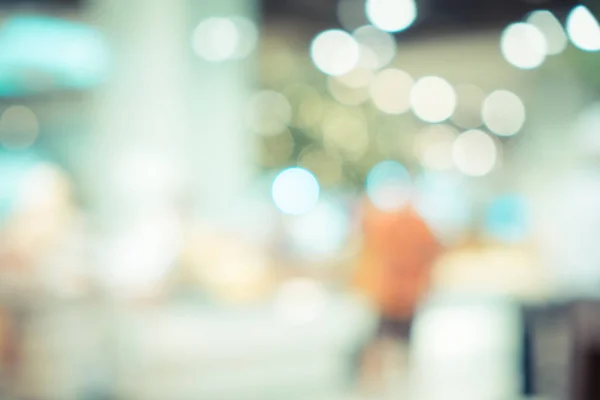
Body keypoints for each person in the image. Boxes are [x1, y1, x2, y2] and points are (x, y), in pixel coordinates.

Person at [354, 198, 441, 394]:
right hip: (400, 295)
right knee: (391, 343)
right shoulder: (414, 226)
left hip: (395, 295)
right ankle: (393, 384)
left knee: (384, 342)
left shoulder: (390, 226)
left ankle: (385, 386)